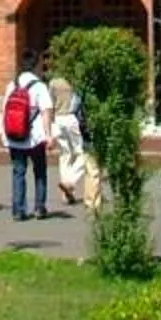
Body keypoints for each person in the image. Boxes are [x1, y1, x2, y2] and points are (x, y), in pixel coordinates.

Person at [1, 66, 54, 221]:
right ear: (35, 66)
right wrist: (48, 135)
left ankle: (18, 210)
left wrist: (5, 135)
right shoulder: (40, 86)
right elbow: (46, 112)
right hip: (35, 137)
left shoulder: (12, 86)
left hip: (15, 136)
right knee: (40, 172)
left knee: (18, 172)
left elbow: (5, 110)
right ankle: (39, 207)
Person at [48, 63, 91, 213]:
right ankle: (70, 182)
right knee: (81, 153)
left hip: (58, 119)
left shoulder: (53, 83)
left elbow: (50, 104)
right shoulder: (73, 82)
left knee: (65, 154)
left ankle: (66, 194)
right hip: (71, 118)